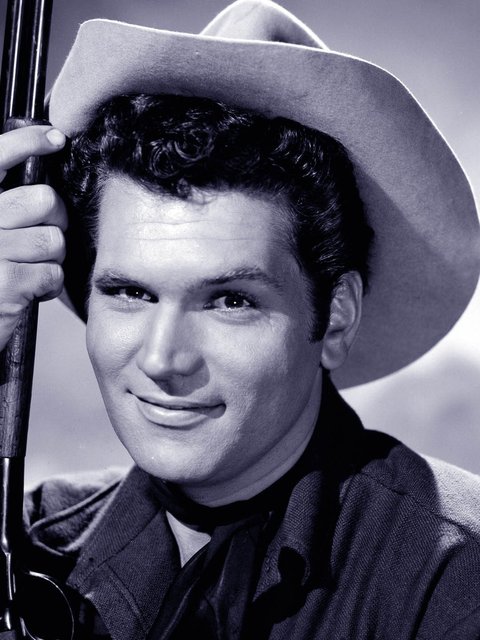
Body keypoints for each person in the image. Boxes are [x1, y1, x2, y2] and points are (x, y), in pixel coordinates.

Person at [0, 1, 479, 638]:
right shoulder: (32, 536)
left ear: (336, 316)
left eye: (230, 301)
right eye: (131, 293)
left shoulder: (453, 579)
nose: (163, 360)